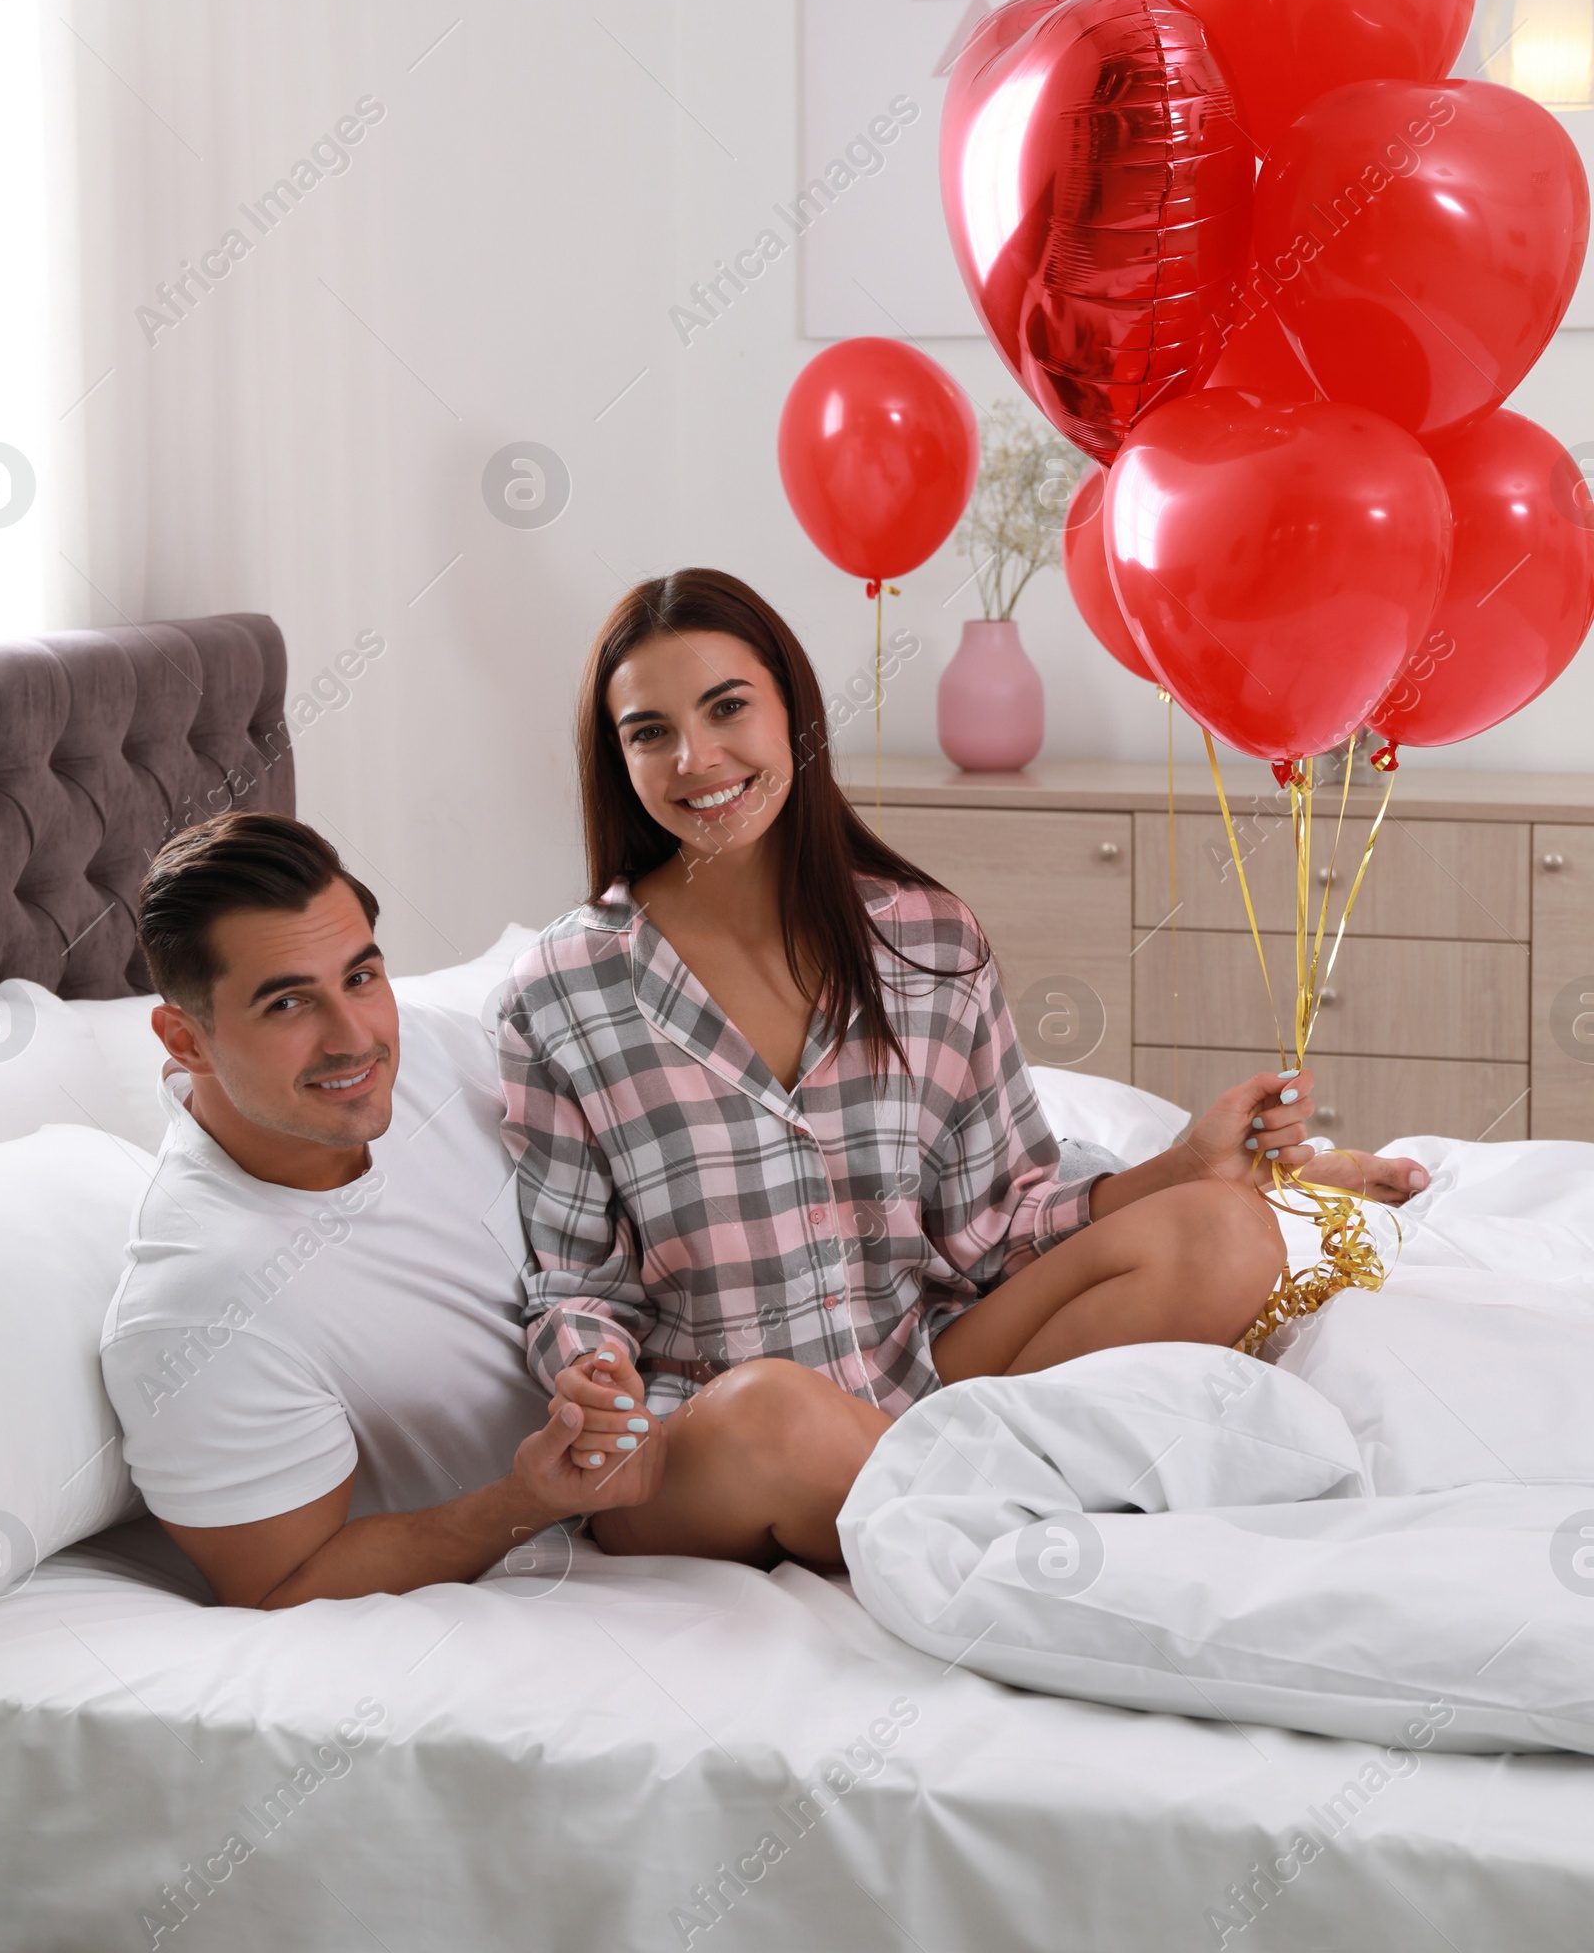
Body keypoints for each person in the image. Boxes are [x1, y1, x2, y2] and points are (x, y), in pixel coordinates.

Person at [501, 568, 1429, 1570]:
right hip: (713, 1432)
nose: (696, 757)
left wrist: (1185, 1170)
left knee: (1222, 1237)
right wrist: (593, 1374)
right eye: (649, 732)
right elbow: (574, 1287)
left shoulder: (925, 942)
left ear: (793, 715)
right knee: (775, 1414)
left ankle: (948, 1515)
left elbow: (998, 1215)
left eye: (728, 707)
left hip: (921, 1378)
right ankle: (1022, 1535)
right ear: (618, 758)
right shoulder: (561, 988)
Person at [100, 812, 808, 1607]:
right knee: (774, 1418)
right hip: (627, 1510)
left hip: (731, 1366)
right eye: (289, 1006)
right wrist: (530, 1500)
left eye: (361, 978)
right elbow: (283, 1581)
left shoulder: (441, 1051)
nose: (353, 1039)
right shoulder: (196, 1307)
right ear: (185, 1040)